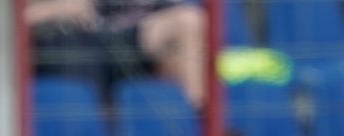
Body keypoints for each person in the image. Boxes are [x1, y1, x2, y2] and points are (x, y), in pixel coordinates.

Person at [27, 0, 208, 108]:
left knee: (187, 22)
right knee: (74, 51)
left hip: (134, 35)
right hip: (72, 42)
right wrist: (56, 9)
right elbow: (7, 20)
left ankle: (197, 126)